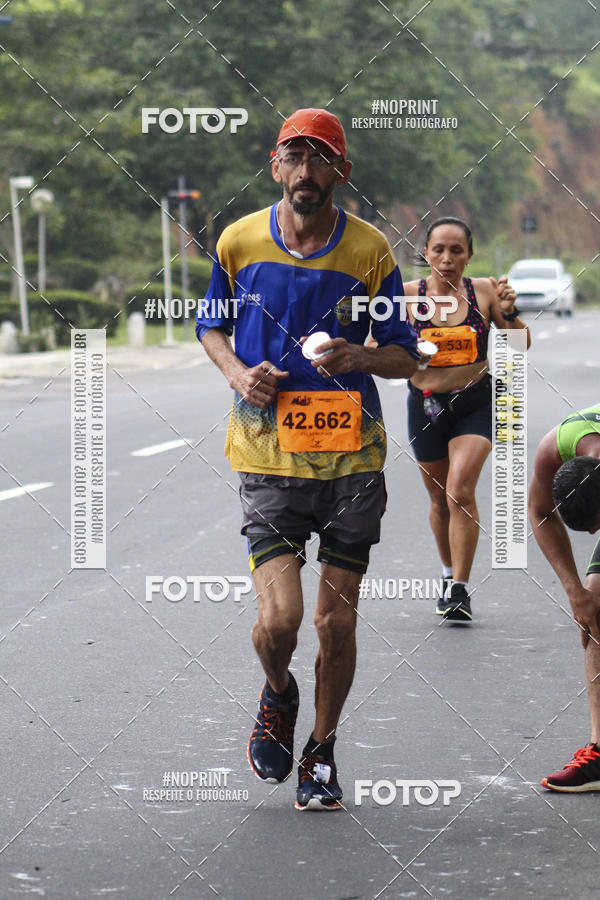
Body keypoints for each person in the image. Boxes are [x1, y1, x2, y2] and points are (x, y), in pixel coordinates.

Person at [196, 108, 419, 810]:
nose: (305, 172)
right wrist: (238, 374)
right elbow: (211, 325)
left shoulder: (370, 252)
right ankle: (279, 693)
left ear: (340, 173)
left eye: (320, 160)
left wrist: (362, 356)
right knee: (281, 623)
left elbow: (409, 354)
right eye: (294, 157)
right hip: (267, 456)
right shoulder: (238, 241)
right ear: (275, 166)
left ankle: (321, 751)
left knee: (336, 623)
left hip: (352, 460)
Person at [403, 217, 531, 622]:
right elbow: (375, 346)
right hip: (425, 405)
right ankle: (446, 574)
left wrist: (509, 313)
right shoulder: (405, 297)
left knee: (460, 490)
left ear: (469, 256)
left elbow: (519, 344)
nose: (447, 258)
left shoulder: (485, 292)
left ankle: (459, 588)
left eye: (456, 250)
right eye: (438, 249)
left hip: (476, 401)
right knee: (439, 499)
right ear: (426, 253)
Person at [529, 404, 600, 791]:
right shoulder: (553, 449)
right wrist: (575, 592)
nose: (592, 537)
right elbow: (539, 513)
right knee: (595, 607)